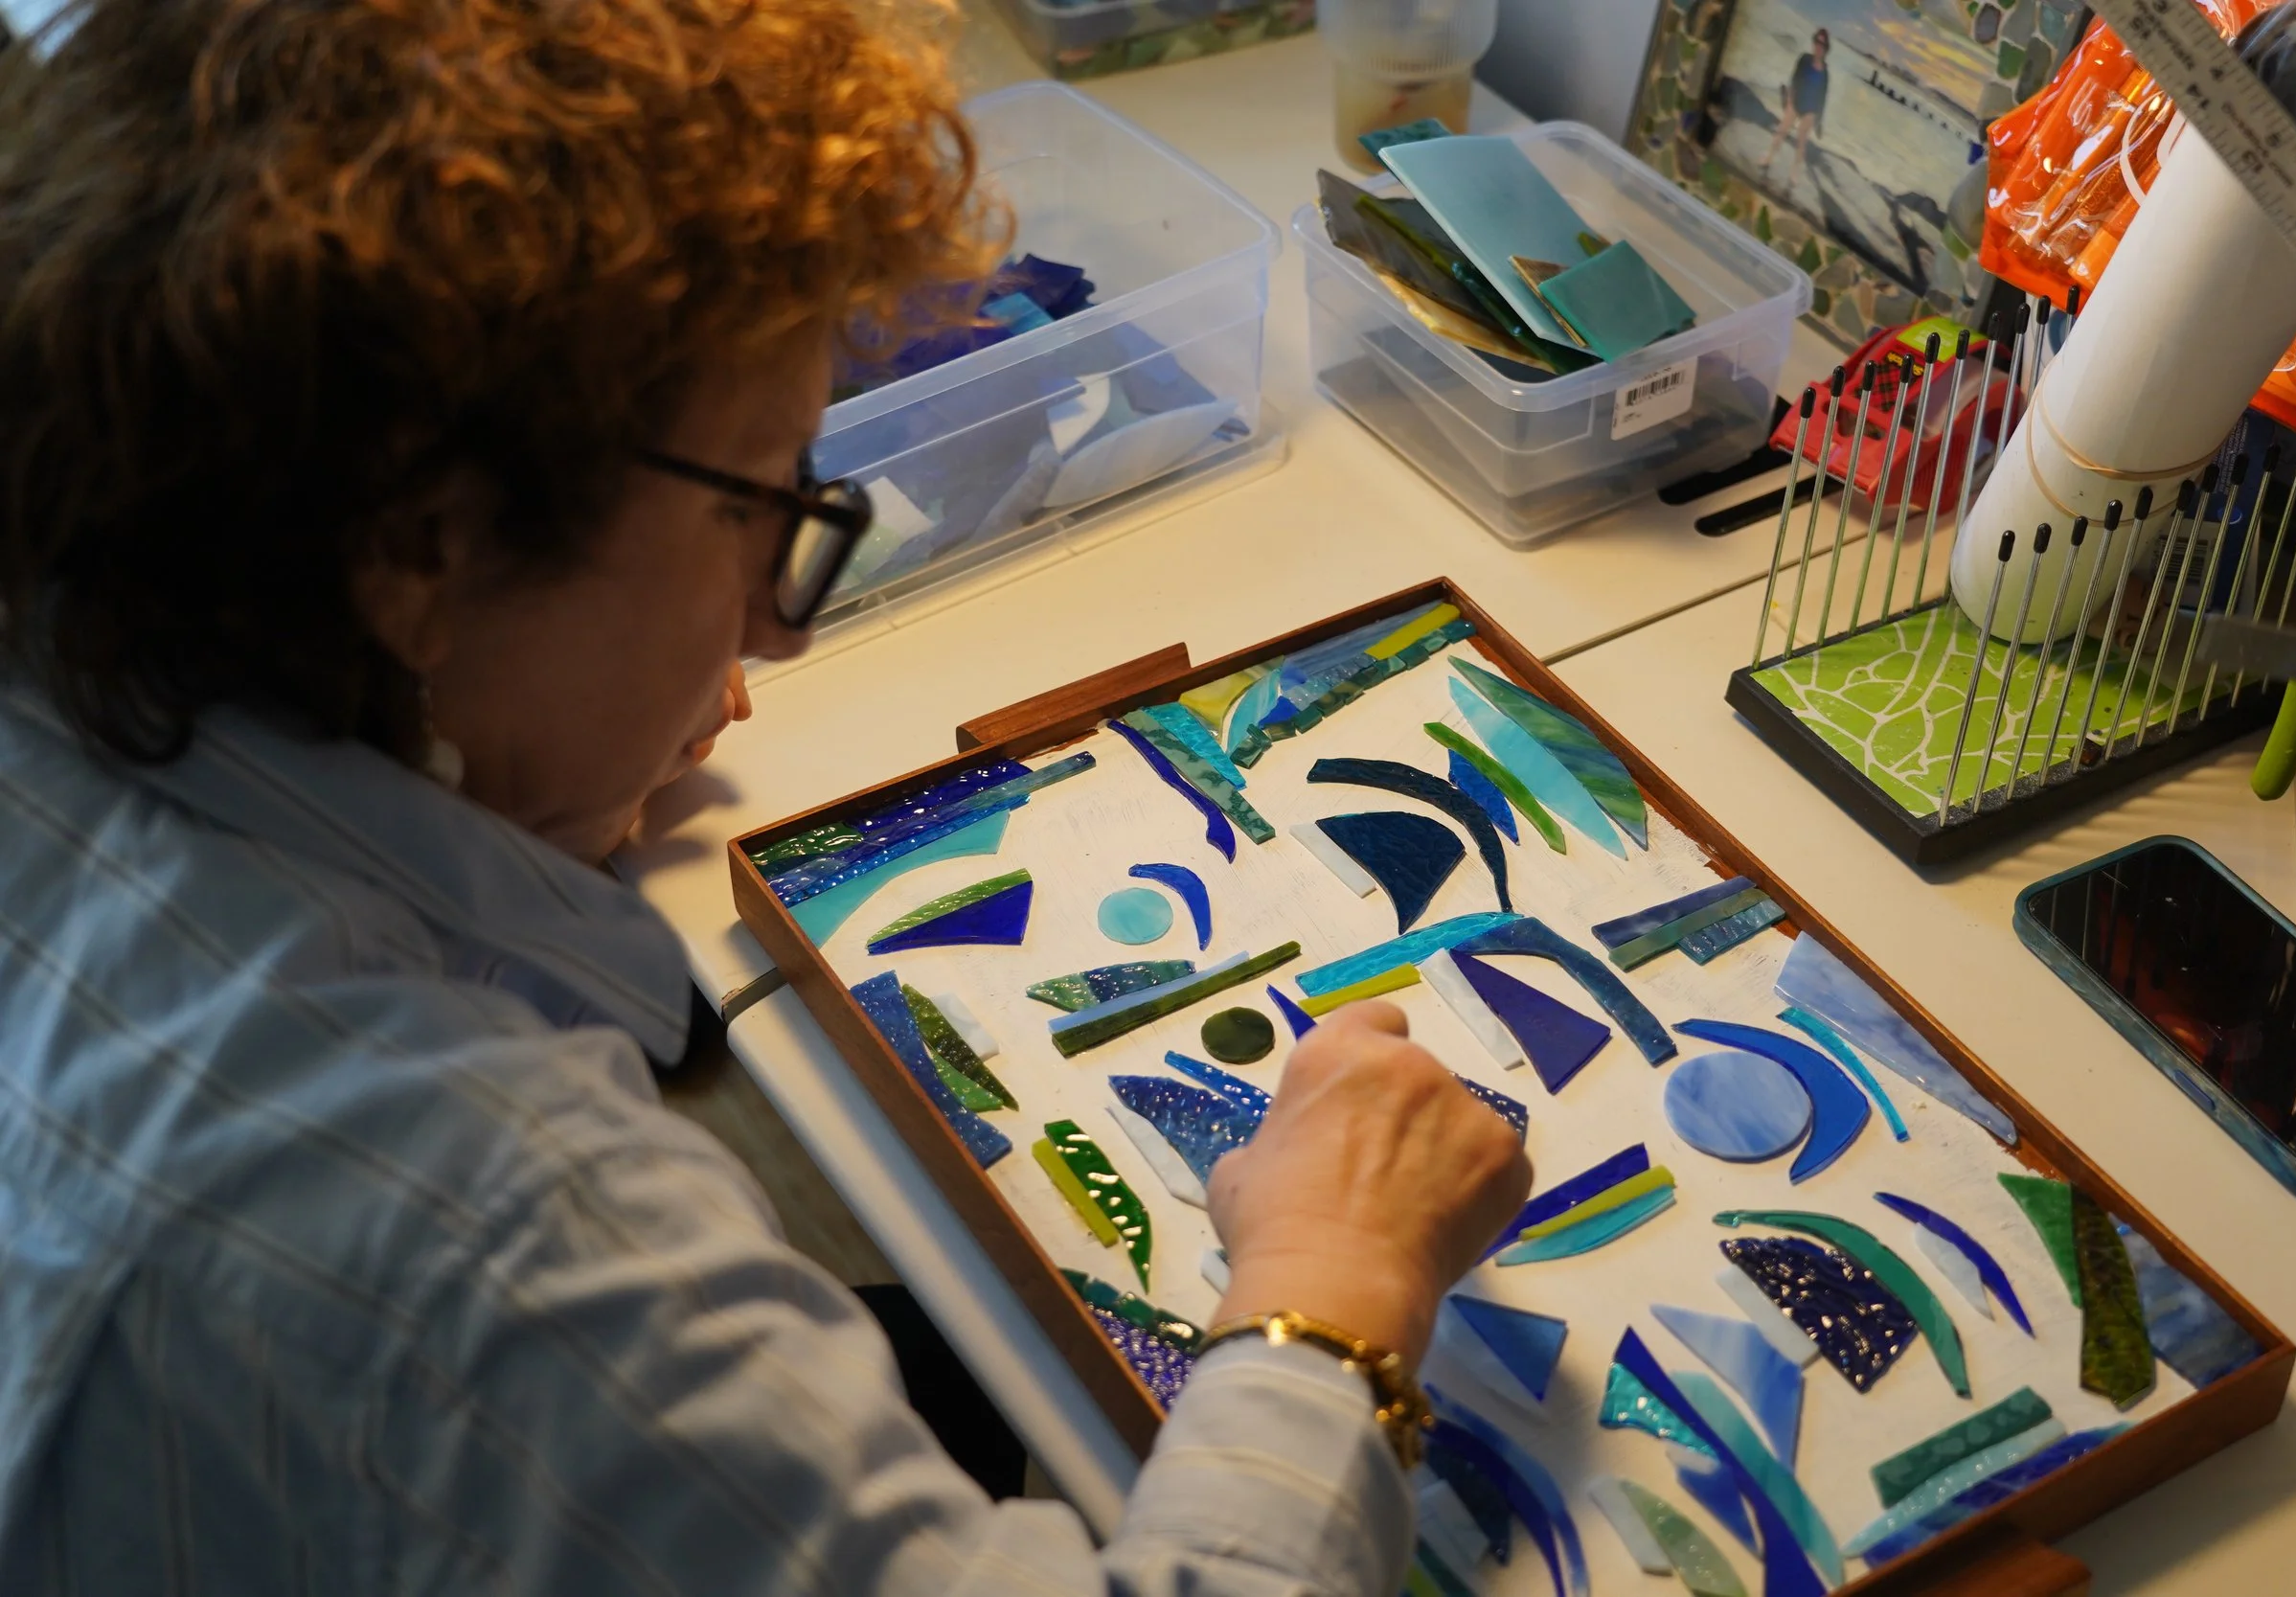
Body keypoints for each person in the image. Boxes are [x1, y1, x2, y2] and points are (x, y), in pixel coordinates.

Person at [0, 2, 1533, 1593]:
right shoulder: (511, 1246)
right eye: (761, 504)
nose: (781, 624)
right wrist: (1329, 1284)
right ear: (425, 555)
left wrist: (495, 761)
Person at [1762, 27, 1833, 181]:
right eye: (1817, 42)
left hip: (1811, 109)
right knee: (1781, 130)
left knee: (1801, 142)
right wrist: (1788, 100)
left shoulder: (1825, 73)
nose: (1819, 46)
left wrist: (1819, 122)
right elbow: (1794, 79)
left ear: (1826, 48)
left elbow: (1822, 98)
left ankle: (1794, 175)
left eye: (1822, 44)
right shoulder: (1804, 59)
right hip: (1797, 101)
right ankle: (1768, 159)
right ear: (1814, 43)